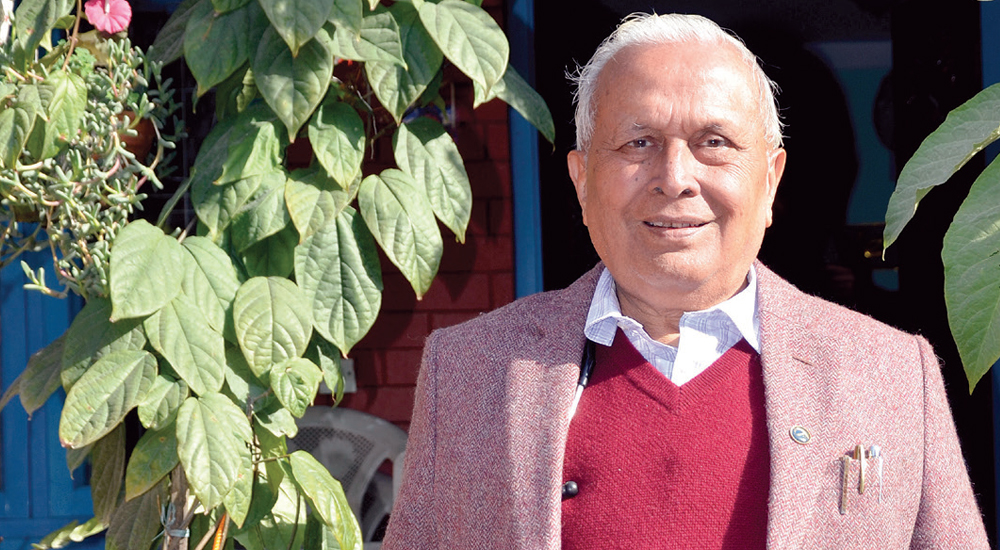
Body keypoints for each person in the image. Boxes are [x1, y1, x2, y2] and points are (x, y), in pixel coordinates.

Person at [381, 13, 989, 549]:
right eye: (638, 142)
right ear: (582, 180)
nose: (674, 177)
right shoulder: (469, 372)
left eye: (714, 142)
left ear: (770, 181)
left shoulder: (889, 374)